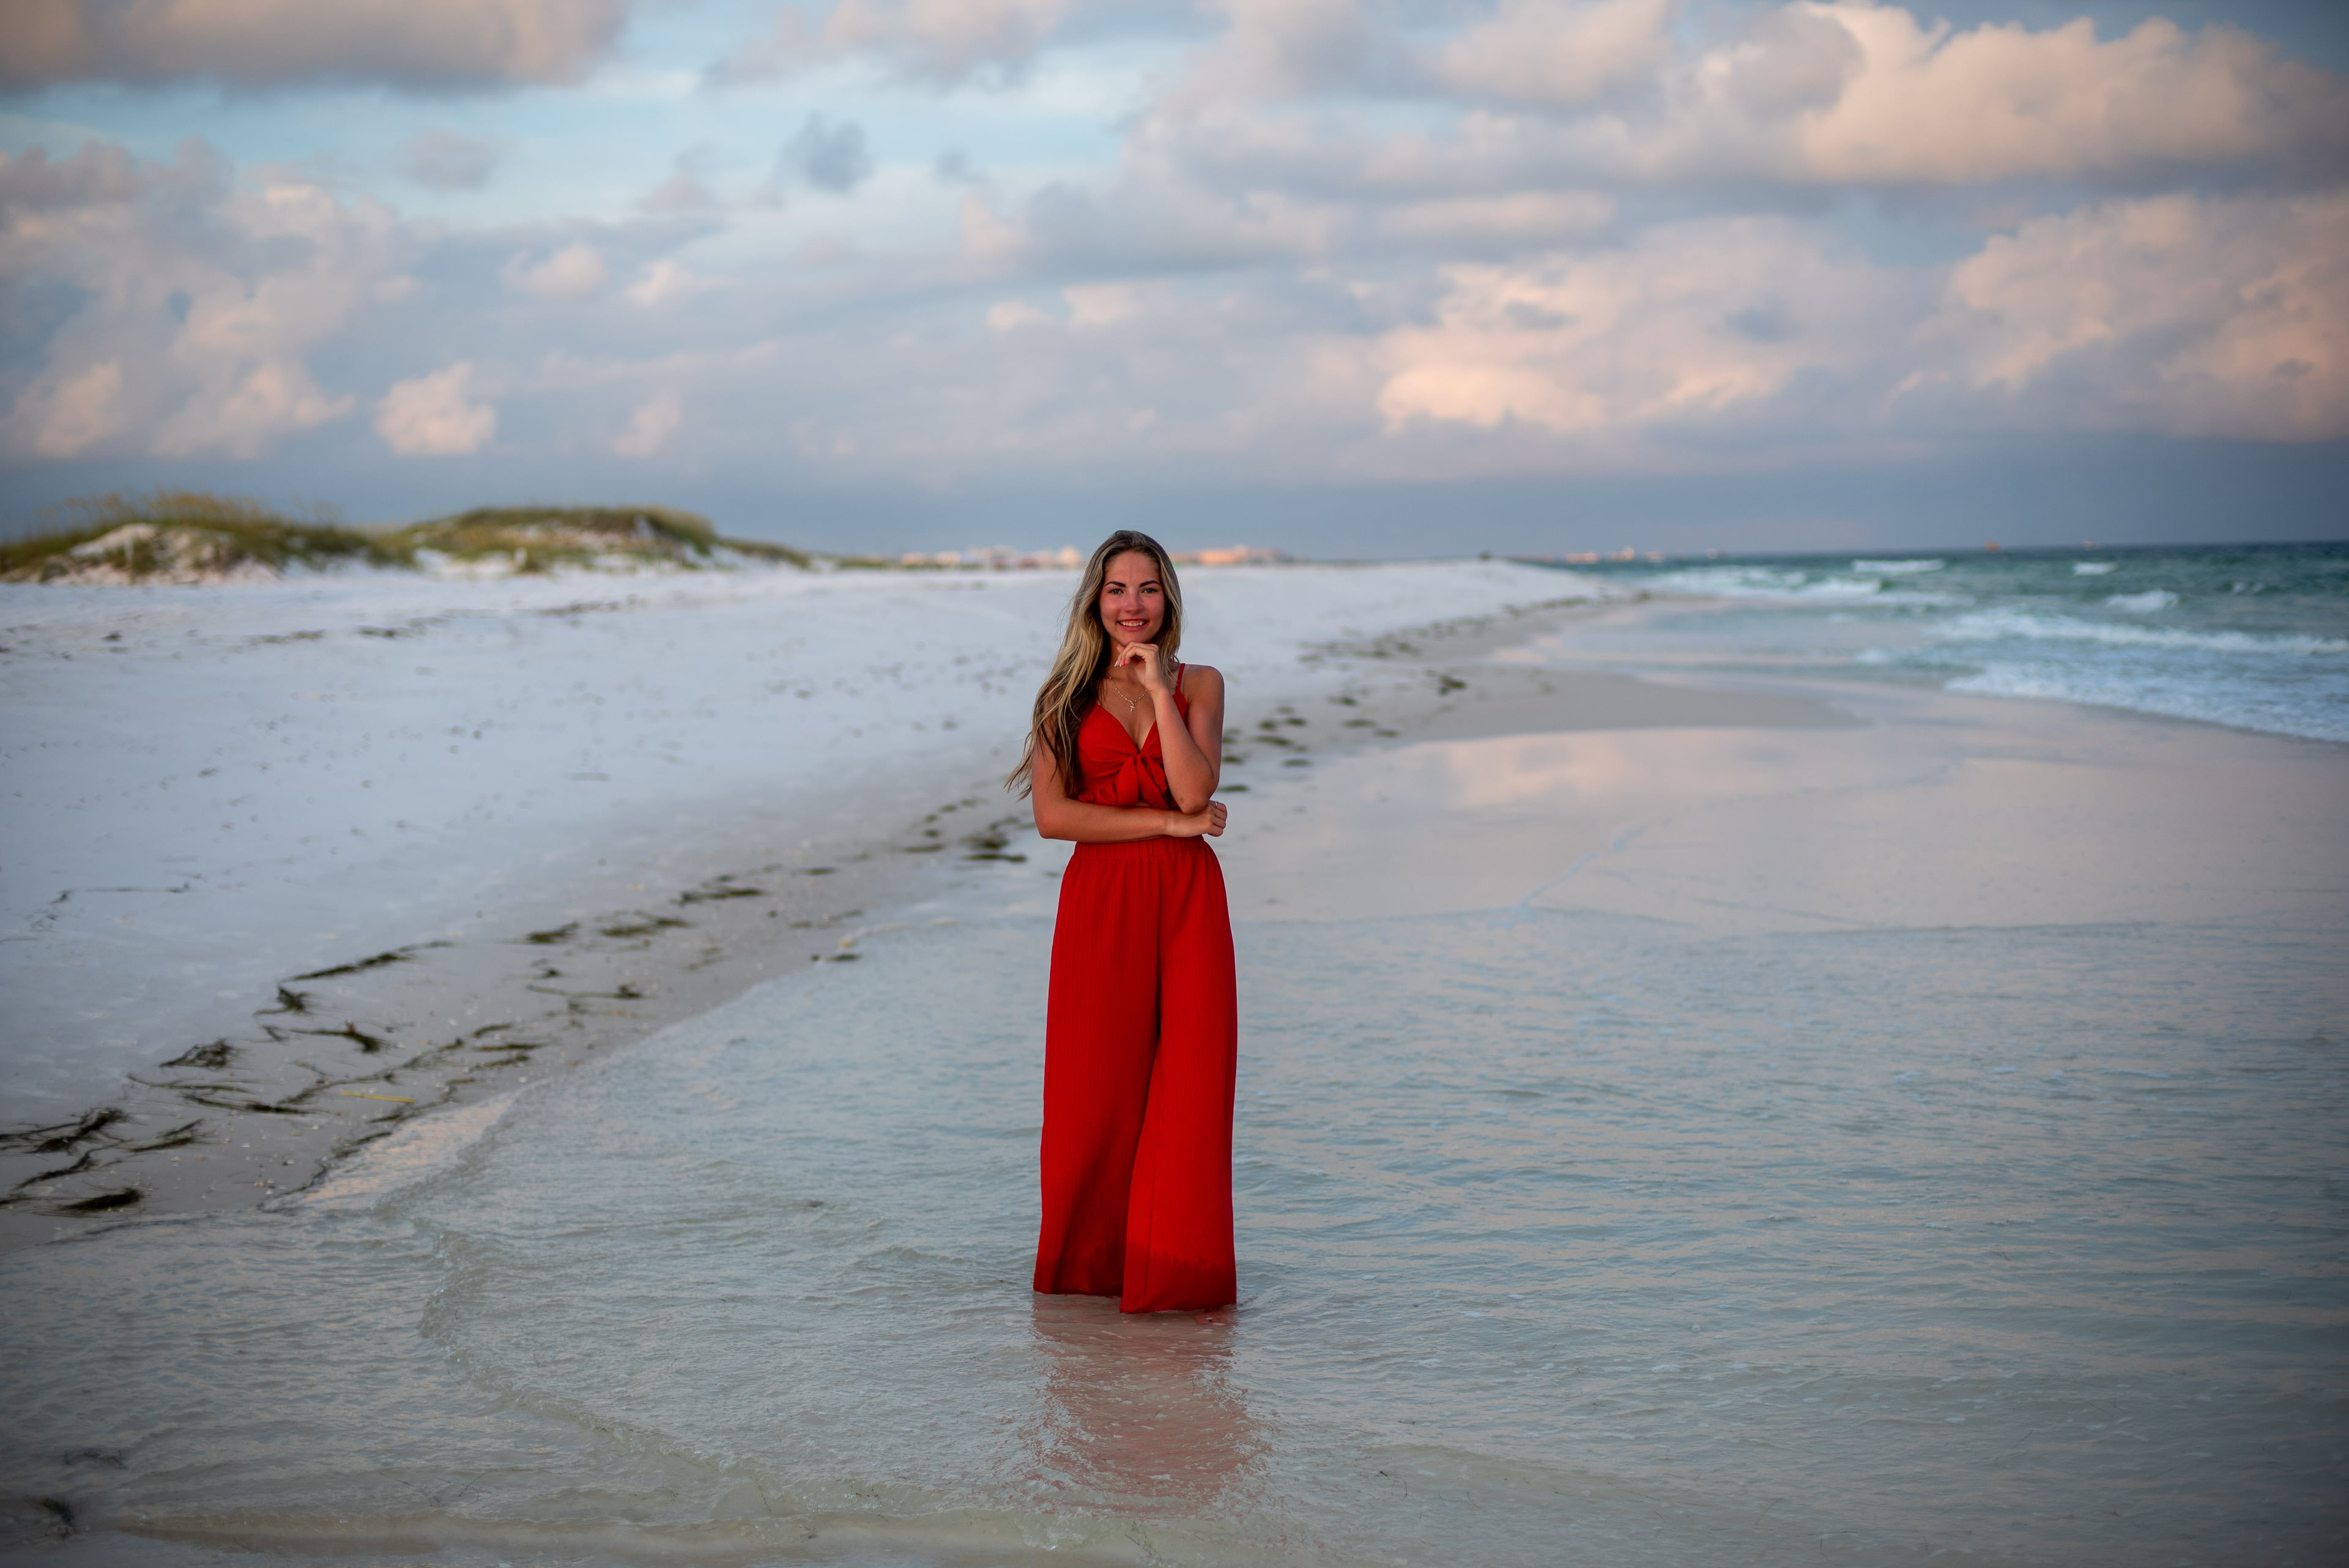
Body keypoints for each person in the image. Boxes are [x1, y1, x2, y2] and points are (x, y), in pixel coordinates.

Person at [1009, 530, 1237, 1313]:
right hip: (1102, 901)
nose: (1132, 605)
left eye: (1147, 589)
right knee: (1094, 1092)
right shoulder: (1061, 698)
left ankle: (1175, 1277)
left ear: (1169, 598)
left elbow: (1191, 787)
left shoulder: (1201, 684)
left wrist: (1160, 689)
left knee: (1192, 1089)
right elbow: (1053, 816)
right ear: (1094, 600)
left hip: (1188, 906)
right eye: (1116, 589)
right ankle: (1086, 1275)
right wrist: (1170, 829)